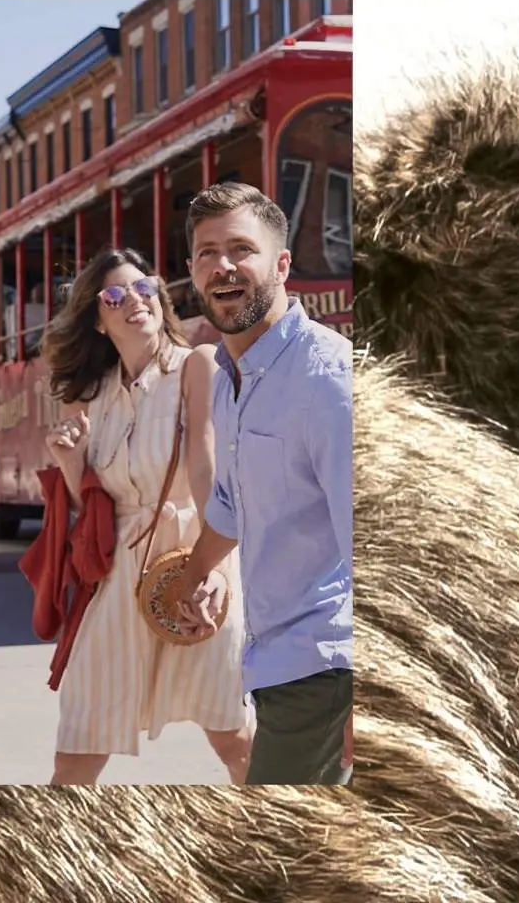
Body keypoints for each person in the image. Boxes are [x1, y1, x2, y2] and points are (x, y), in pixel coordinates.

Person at [39, 245, 252, 785]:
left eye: (143, 287)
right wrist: (70, 464)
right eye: (115, 296)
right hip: (121, 580)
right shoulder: (95, 397)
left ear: (160, 296)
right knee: (79, 743)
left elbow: (207, 476)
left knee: (234, 739)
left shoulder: (196, 366)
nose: (134, 300)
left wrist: (214, 571)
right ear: (99, 320)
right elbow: (96, 515)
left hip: (193, 558)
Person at [174, 181, 353, 785]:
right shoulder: (227, 376)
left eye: (240, 249)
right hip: (275, 663)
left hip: (325, 665)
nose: (223, 266)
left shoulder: (326, 378)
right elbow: (231, 504)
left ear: (281, 264)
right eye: (205, 253)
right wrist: (195, 576)